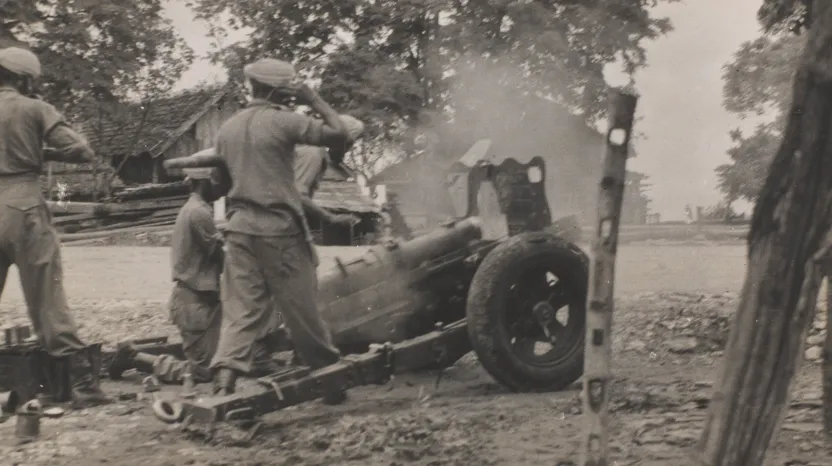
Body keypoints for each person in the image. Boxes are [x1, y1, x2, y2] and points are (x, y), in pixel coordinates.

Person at [208, 58, 348, 399]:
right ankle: (331, 383)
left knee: (241, 313)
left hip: (240, 231)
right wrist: (312, 99)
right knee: (303, 309)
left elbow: (220, 185)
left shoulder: (227, 129)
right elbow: (339, 133)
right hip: (279, 231)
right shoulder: (285, 122)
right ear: (283, 90)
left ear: (252, 86)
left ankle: (223, 384)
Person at [0, 47, 111, 408]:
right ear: (24, 79)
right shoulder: (33, 108)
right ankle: (82, 385)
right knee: (47, 295)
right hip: (23, 202)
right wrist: (40, 150)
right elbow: (81, 150)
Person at [162, 165, 225, 384]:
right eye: (217, 180)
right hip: (194, 304)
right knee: (202, 372)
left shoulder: (197, 209)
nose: (221, 186)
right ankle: (137, 358)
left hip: (204, 302)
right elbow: (223, 257)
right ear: (204, 181)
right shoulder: (198, 213)